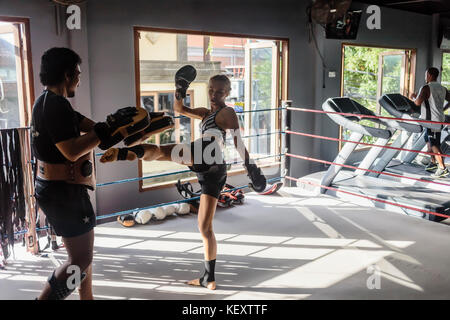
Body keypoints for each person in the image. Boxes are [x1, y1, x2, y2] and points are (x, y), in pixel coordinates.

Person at [100, 69, 266, 290]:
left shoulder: (227, 113)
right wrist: (180, 91)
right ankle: (209, 277)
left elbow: (237, 141)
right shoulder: (206, 113)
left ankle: (123, 152)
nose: (213, 95)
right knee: (204, 227)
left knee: (160, 151)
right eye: (210, 90)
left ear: (227, 92)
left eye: (219, 92)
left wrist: (251, 168)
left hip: (208, 152)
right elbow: (179, 109)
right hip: (213, 172)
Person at [31, 47, 152, 300]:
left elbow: (97, 131)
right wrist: (106, 131)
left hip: (65, 189)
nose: (79, 78)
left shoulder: (53, 103)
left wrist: (124, 128)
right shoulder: (55, 106)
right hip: (62, 192)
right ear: (67, 74)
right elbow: (73, 151)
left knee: (83, 253)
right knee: (81, 258)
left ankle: (87, 298)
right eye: (77, 72)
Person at [410, 67, 450, 178]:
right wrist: (443, 109)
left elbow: (417, 102)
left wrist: (413, 97)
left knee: (434, 144)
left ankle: (442, 168)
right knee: (427, 139)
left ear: (429, 75)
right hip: (438, 119)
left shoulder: (426, 88)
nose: (425, 77)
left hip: (431, 121)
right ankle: (433, 162)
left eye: (426, 74)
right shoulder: (442, 88)